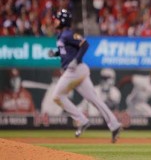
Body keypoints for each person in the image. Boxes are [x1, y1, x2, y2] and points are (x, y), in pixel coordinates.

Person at [47, 8, 122, 143]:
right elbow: (66, 50)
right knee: (94, 99)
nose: (55, 21)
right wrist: (56, 53)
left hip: (74, 70)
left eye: (57, 19)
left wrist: (77, 59)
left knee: (57, 96)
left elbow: (84, 43)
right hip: (77, 70)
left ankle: (82, 120)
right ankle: (114, 125)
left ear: (63, 21)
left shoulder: (68, 34)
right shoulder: (62, 35)